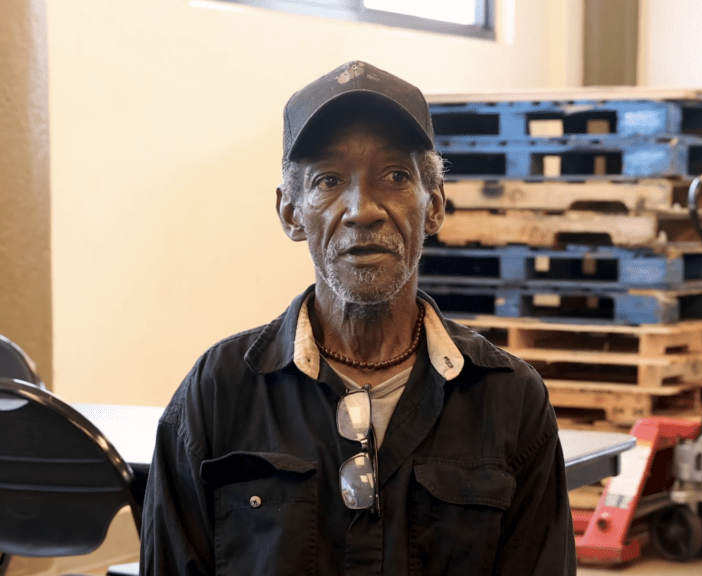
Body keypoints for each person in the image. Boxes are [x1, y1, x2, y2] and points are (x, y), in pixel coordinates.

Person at [140, 61, 576, 575]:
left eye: (395, 176)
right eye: (328, 180)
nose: (362, 208)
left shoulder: (510, 400)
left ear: (434, 206)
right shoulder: (218, 394)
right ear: (291, 213)